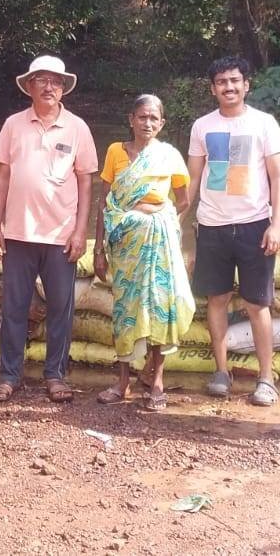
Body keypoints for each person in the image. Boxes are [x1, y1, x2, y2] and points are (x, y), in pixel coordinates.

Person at [0, 55, 97, 404]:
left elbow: (86, 182)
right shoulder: (13, 125)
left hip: (61, 235)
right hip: (18, 232)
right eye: (42, 80)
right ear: (29, 86)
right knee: (14, 307)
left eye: (56, 81)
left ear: (63, 88)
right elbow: (2, 177)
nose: (49, 87)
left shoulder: (77, 127)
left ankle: (55, 375)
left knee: (61, 308)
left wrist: (80, 231)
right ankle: (9, 375)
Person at [186, 55, 280, 406]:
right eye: (221, 82)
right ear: (212, 89)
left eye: (234, 81)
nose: (228, 87)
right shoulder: (202, 126)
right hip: (212, 225)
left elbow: (278, 178)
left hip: (254, 225)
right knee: (217, 299)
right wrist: (176, 216)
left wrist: (276, 224)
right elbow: (193, 178)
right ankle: (221, 371)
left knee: (257, 303)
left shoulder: (264, 124)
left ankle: (266, 378)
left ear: (246, 85)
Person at [92, 94, 194, 411]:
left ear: (162, 123)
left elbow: (183, 201)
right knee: (125, 310)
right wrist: (98, 249)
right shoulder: (115, 152)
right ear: (131, 120)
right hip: (125, 246)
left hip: (158, 244)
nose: (147, 123)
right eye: (142, 117)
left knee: (159, 307)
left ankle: (156, 381)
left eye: (153, 118)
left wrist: (162, 220)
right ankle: (122, 382)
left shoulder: (169, 155)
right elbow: (105, 202)